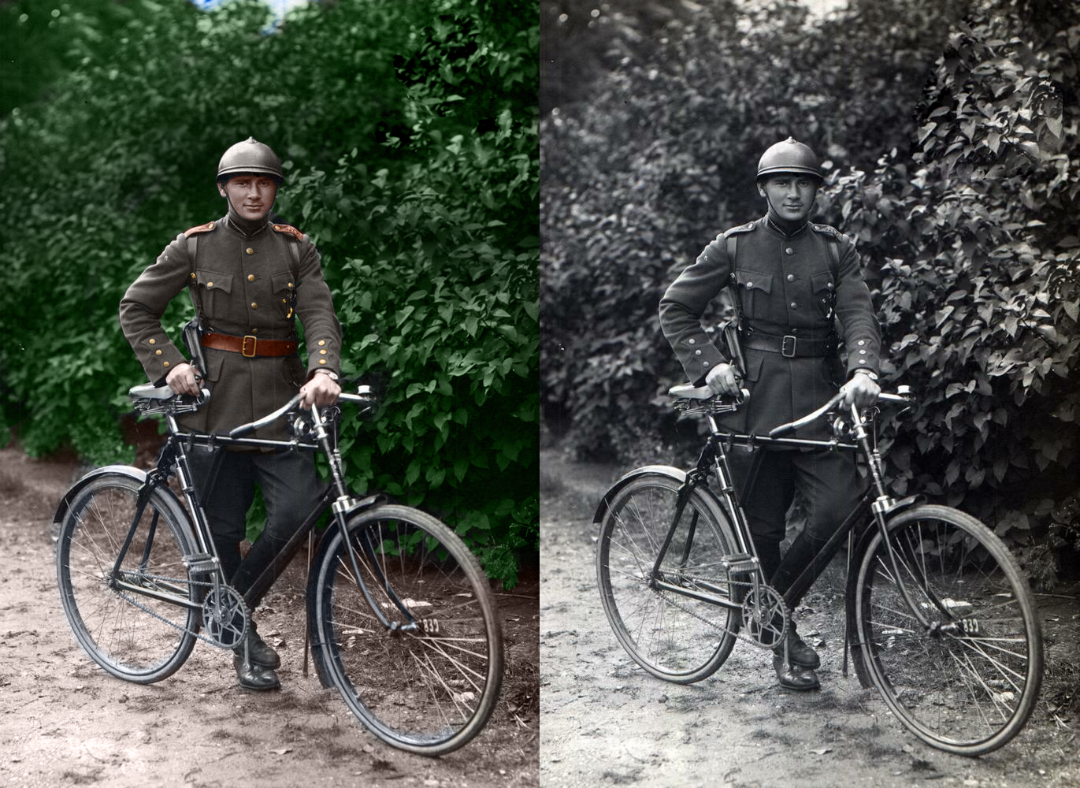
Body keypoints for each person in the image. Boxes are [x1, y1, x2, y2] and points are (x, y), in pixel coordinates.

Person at [119, 137, 342, 691]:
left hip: (280, 405)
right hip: (212, 409)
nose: (253, 193)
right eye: (242, 182)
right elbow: (137, 308)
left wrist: (323, 370)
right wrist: (170, 364)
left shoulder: (296, 249)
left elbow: (318, 312)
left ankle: (229, 609)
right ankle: (243, 641)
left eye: (263, 183)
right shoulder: (194, 247)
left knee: (297, 510)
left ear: (275, 190)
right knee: (221, 529)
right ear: (224, 189)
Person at [659, 137, 881, 691]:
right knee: (761, 528)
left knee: (836, 510)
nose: (793, 192)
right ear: (764, 189)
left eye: (803, 183)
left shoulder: (836, 250)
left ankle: (769, 608)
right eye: (782, 182)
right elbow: (676, 307)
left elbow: (858, 313)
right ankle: (783, 638)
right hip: (752, 406)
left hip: (819, 402)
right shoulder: (734, 247)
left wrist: (863, 370)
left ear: (816, 191)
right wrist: (710, 365)